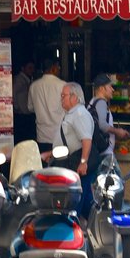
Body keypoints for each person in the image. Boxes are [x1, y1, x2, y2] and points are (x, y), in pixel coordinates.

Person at [43, 82, 94, 214]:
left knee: (75, 205)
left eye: (63, 96)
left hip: (77, 166)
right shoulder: (72, 113)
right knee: (84, 206)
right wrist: (52, 153)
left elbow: (86, 139)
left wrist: (83, 162)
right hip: (69, 164)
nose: (61, 99)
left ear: (74, 97)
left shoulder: (79, 114)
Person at [89, 73, 130, 158]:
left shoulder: (92, 101)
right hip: (105, 152)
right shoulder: (101, 102)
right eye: (110, 87)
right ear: (101, 88)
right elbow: (102, 125)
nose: (113, 90)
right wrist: (118, 131)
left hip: (98, 150)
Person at [30, 59, 66, 153]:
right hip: (59, 135)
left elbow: (30, 107)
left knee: (44, 165)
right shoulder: (63, 85)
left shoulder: (34, 86)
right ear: (53, 68)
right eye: (58, 67)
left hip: (42, 135)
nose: (59, 70)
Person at [13, 60, 37, 144]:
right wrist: (16, 107)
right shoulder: (19, 80)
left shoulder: (28, 80)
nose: (32, 70)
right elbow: (14, 93)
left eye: (33, 68)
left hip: (26, 113)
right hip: (21, 114)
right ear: (23, 68)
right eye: (29, 68)